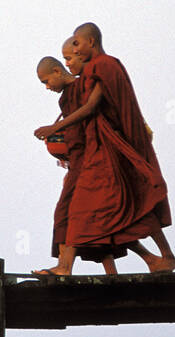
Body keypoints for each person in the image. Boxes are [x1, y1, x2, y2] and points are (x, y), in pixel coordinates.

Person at [35, 22, 175, 273]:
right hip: (88, 156)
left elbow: (92, 108)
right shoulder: (80, 82)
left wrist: (53, 129)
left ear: (90, 42)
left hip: (107, 150)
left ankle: (165, 256)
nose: (73, 56)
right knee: (86, 214)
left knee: (109, 208)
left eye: (75, 47)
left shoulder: (104, 66)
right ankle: (145, 261)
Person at [33, 45, 126, 275]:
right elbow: (74, 129)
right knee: (89, 215)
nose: (47, 87)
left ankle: (65, 267)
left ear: (57, 71)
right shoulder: (64, 99)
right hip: (77, 160)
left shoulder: (83, 87)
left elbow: (90, 115)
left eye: (46, 81)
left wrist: (54, 127)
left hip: (92, 158)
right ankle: (111, 272)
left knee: (73, 211)